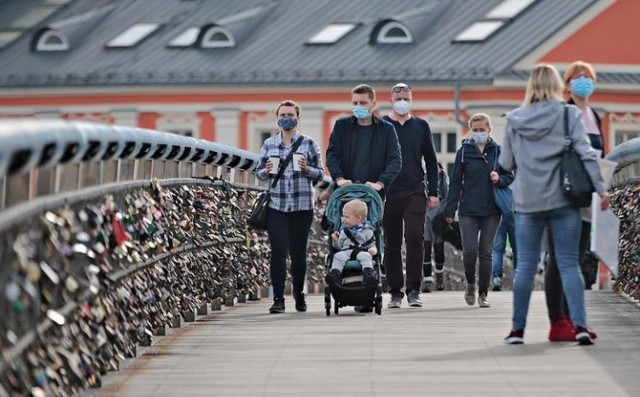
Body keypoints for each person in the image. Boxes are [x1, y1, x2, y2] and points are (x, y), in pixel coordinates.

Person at [500, 63, 609, 345]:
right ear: (557, 84)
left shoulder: (514, 119)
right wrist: (601, 189)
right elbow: (586, 155)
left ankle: (517, 331)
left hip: (527, 202)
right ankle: (580, 326)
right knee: (569, 264)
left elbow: (506, 163)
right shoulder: (568, 114)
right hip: (563, 199)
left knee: (525, 266)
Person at [326, 83, 402, 312]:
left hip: (373, 194)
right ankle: (347, 284)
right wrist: (338, 178)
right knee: (344, 237)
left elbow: (395, 160)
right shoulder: (342, 126)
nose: (358, 107)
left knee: (373, 236)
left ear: (373, 104)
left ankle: (368, 289)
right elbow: (332, 154)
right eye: (355, 103)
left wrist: (380, 183)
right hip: (347, 190)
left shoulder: (386, 129)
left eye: (363, 103)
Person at [545, 60, 604, 341]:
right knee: (559, 259)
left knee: (577, 260)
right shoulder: (564, 112)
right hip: (563, 193)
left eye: (588, 77)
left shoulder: (595, 115)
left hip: (586, 196)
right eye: (577, 77)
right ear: (567, 84)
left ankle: (575, 319)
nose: (583, 81)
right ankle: (559, 320)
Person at [255, 100, 325, 314]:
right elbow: (258, 172)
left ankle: (298, 294)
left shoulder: (309, 143)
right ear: (277, 118)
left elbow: (321, 174)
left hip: (302, 205)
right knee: (277, 252)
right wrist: (266, 171)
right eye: (283, 114)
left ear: (297, 118)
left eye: (290, 114)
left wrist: (307, 169)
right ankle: (277, 298)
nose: (286, 118)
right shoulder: (269, 144)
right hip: (277, 205)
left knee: (298, 253)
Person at [444, 113, 514, 308]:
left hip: (492, 209)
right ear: (470, 130)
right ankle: (470, 284)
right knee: (469, 251)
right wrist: (450, 210)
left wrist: (498, 179)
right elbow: (455, 182)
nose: (479, 133)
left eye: (482, 130)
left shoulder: (499, 151)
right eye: (475, 130)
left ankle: (483, 293)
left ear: (489, 130)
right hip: (468, 209)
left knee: (486, 252)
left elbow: (510, 176)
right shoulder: (464, 152)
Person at [380, 82, 439, 309]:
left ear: (412, 100)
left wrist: (433, 191)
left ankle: (414, 289)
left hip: (415, 189)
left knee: (415, 237)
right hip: (388, 191)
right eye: (398, 98)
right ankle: (395, 291)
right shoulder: (383, 125)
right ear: (391, 100)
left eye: (406, 97)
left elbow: (432, 161)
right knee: (391, 242)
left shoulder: (421, 126)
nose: (402, 102)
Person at [326, 199, 378, 287]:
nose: (343, 220)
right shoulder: (344, 231)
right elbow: (339, 247)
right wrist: (335, 240)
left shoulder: (368, 231)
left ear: (358, 218)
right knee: (337, 256)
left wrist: (373, 249)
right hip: (346, 251)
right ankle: (335, 275)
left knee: (367, 256)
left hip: (361, 251)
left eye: (347, 217)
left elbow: (371, 244)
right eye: (343, 217)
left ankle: (369, 274)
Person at [422, 162, 449, 293]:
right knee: (425, 250)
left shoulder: (443, 177)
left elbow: (447, 195)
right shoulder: (422, 176)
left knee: (439, 249)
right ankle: (427, 280)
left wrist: (446, 214)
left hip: (439, 217)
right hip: (424, 216)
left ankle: (439, 275)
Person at [491, 187, 516, 292]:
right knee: (517, 248)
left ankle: (497, 278)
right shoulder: (516, 174)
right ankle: (517, 278)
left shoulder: (495, 172)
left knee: (497, 248)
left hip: (498, 211)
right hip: (515, 211)